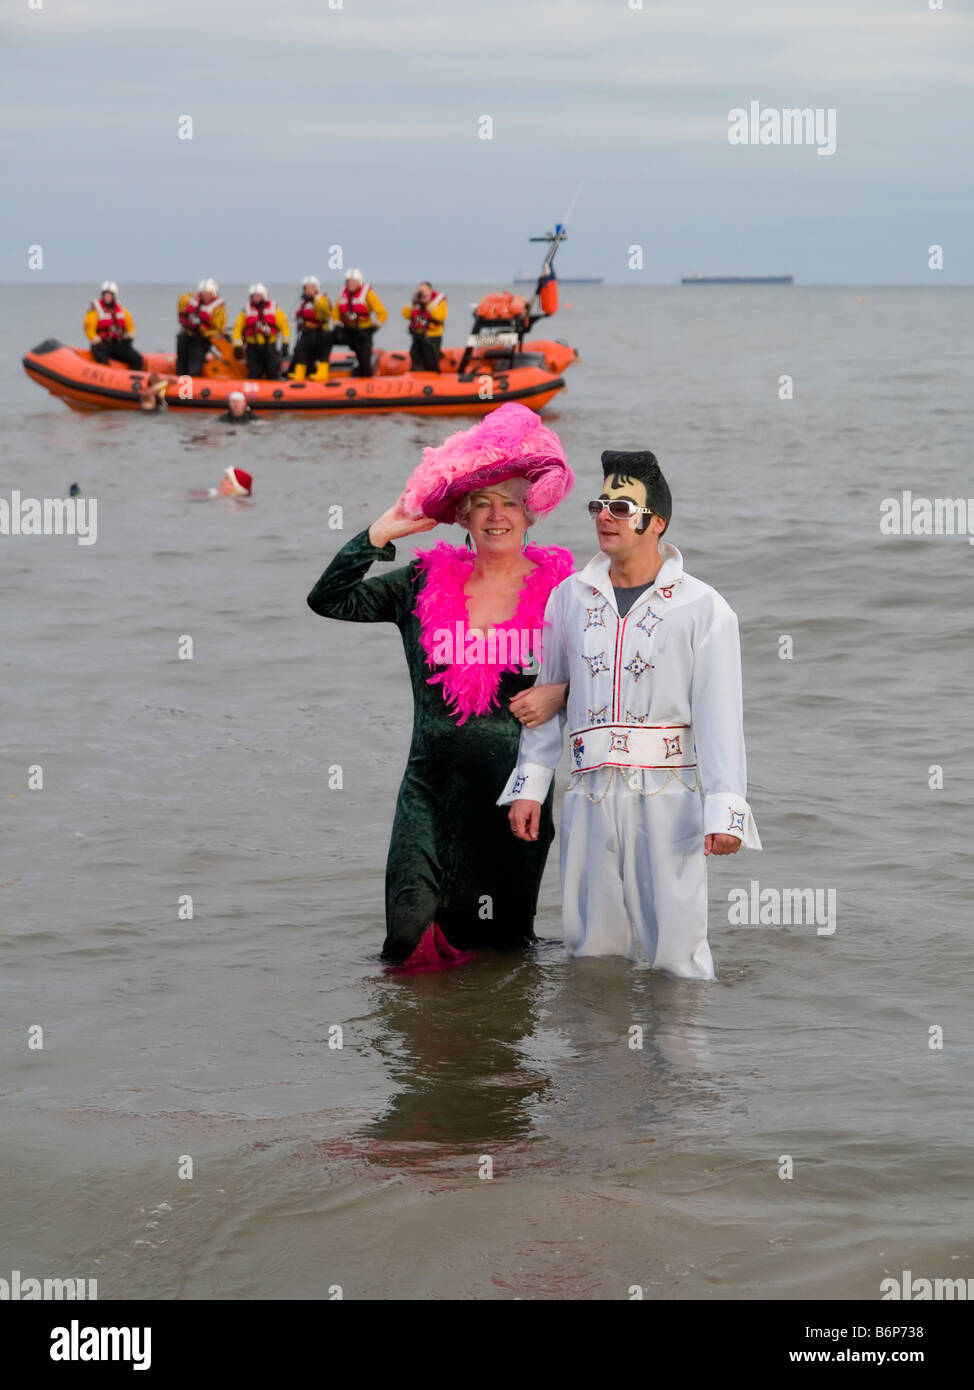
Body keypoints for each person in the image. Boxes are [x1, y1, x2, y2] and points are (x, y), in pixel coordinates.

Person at [306, 402, 575, 969]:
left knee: (503, 955)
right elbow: (329, 600)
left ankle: (483, 1053)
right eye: (481, 503)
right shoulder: (421, 583)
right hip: (428, 792)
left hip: (516, 799)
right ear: (463, 514)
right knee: (407, 940)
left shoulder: (565, 594)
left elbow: (616, 675)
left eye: (510, 503)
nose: (496, 515)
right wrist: (383, 530)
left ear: (532, 515)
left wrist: (564, 692)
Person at [501, 449, 761, 981]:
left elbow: (720, 718)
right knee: (591, 952)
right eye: (599, 504)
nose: (604, 515)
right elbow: (548, 701)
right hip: (589, 796)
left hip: (670, 800)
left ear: (655, 521)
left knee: (679, 959)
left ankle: (684, 1059)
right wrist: (531, 784)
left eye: (621, 507)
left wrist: (725, 806)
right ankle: (598, 1060)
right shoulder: (567, 599)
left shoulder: (703, 607)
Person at [333, 269, 387, 377]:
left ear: (359, 282)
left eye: (353, 281)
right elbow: (335, 312)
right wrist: (337, 325)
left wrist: (374, 327)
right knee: (326, 339)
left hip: (363, 332)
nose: (351, 284)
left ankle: (365, 377)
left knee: (364, 361)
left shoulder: (368, 294)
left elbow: (382, 313)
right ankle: (320, 367)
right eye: (349, 282)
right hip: (348, 330)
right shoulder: (342, 294)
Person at [232, 284, 290, 380]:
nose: (256, 298)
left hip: (269, 347)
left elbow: (285, 328)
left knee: (272, 372)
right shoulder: (245, 313)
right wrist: (237, 346)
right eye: (254, 296)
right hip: (253, 348)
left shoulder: (275, 311)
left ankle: (273, 389)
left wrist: (285, 344)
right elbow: (237, 329)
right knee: (254, 373)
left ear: (264, 296)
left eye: (259, 296)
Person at [84, 282, 144, 369]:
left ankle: (136, 379)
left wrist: (129, 337)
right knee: (102, 360)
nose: (107, 297)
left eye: (109, 295)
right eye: (105, 295)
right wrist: (95, 339)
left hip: (116, 344)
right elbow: (89, 329)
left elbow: (130, 325)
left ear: (114, 296)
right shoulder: (94, 311)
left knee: (136, 358)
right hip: (101, 345)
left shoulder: (122, 311)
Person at [176, 278, 226, 377]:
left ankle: (194, 382)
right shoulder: (190, 301)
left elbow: (218, 327)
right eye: (203, 293)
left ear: (213, 293)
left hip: (201, 338)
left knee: (195, 363)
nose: (205, 295)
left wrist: (203, 332)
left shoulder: (218, 308)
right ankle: (179, 380)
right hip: (187, 334)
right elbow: (182, 307)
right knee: (181, 360)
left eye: (208, 293)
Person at [290, 275, 334, 382]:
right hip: (306, 332)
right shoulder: (303, 303)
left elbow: (325, 312)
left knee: (323, 352)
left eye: (311, 288)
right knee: (301, 351)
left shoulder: (322, 299)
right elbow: (294, 315)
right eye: (307, 288)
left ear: (316, 289)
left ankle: (322, 373)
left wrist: (314, 300)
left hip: (321, 332)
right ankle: (299, 373)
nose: (309, 290)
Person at [402, 282, 447, 372]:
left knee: (431, 362)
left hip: (432, 337)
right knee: (415, 358)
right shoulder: (416, 302)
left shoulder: (438, 301)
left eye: (424, 291)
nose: (422, 293)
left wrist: (428, 303)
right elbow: (405, 314)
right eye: (420, 290)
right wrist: (413, 302)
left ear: (430, 291)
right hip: (417, 336)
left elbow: (441, 316)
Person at [184, 466, 254, 501]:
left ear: (234, 487)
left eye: (226, 479)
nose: (222, 481)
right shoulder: (211, 493)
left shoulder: (213, 496)